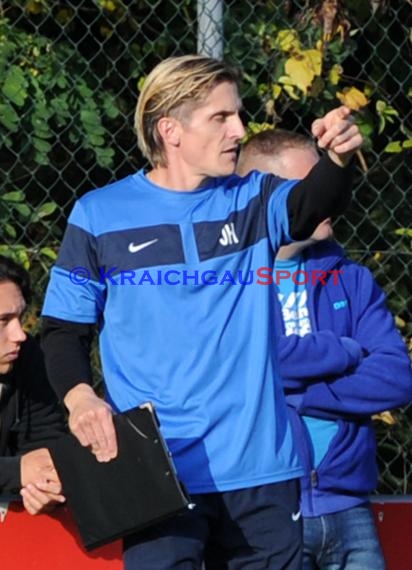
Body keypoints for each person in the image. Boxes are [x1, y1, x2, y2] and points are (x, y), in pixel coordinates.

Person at [41, 54, 363, 569]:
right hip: (158, 473)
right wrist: (80, 399)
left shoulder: (254, 198)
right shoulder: (99, 214)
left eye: (238, 114)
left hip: (261, 472)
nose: (240, 129)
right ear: (170, 129)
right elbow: (62, 331)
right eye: (222, 117)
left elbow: (310, 205)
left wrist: (338, 160)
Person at [236, 128, 412, 570]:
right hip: (266, 509)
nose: (328, 196)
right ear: (270, 199)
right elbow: (243, 366)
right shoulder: (231, 285)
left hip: (347, 505)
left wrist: (299, 394)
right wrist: (342, 351)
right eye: (312, 188)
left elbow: (396, 376)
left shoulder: (350, 279)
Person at [0, 255, 66, 515]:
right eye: (3, 321)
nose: (19, 335)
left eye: (20, 317)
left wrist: (45, 488)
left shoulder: (27, 356)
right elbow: (24, 468)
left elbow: (47, 441)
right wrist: (17, 472)